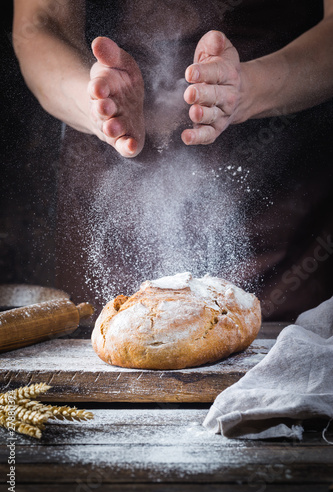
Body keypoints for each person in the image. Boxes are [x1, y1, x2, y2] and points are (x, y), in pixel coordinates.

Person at [12, 0, 333, 320]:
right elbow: (39, 26)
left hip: (279, 188)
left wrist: (249, 87)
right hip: (108, 186)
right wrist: (94, 102)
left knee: (277, 352)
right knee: (113, 341)